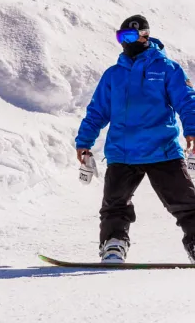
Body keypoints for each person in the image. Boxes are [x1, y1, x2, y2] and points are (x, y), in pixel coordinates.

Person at [75, 14, 195, 263]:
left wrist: (192, 131)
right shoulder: (113, 75)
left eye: (129, 36)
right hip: (122, 151)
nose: (125, 42)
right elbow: (98, 110)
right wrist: (84, 142)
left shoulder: (167, 69)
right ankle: (113, 245)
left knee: (185, 204)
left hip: (162, 149)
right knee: (114, 205)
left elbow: (187, 102)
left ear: (145, 36)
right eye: (121, 36)